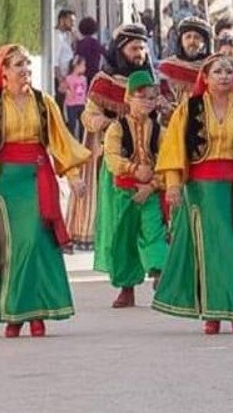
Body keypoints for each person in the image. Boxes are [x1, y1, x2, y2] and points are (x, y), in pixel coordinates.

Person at [0, 44, 90, 337]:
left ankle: (34, 311)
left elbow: (60, 141)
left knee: (34, 244)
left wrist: (72, 174)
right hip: (5, 183)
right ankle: (13, 314)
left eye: (27, 64)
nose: (25, 70)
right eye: (18, 64)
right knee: (10, 249)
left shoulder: (44, 103)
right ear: (3, 70)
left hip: (36, 179)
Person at [153, 54, 233, 335]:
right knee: (209, 252)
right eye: (217, 71)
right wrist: (173, 184)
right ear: (205, 78)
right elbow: (174, 150)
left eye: (229, 71)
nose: (224, 76)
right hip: (201, 192)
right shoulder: (189, 109)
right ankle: (212, 312)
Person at [67, 24, 151, 252]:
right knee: (117, 213)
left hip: (149, 157)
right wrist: (111, 125)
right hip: (114, 155)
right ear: (120, 50)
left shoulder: (151, 81)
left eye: (143, 48)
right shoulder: (105, 80)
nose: (139, 53)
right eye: (134, 48)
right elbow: (88, 114)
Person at [101, 70, 169, 308]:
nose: (147, 102)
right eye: (141, 97)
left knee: (154, 232)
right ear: (128, 98)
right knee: (124, 238)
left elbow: (168, 160)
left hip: (149, 192)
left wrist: (152, 185)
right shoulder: (117, 128)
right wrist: (132, 169)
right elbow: (111, 158)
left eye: (151, 98)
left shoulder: (160, 131)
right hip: (124, 192)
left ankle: (160, 275)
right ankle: (126, 288)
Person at [157, 16, 213, 111]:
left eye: (197, 37)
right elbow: (160, 96)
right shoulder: (167, 67)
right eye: (188, 37)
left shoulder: (211, 67)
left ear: (204, 42)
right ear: (181, 40)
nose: (192, 41)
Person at [53, 9, 76, 104]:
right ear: (62, 20)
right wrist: (60, 80)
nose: (73, 24)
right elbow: (55, 61)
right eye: (71, 21)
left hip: (66, 77)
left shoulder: (66, 36)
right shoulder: (56, 36)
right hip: (59, 78)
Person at [63, 56, 88, 138]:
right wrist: (67, 91)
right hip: (71, 105)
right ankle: (72, 143)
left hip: (81, 104)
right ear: (77, 66)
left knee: (83, 125)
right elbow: (63, 88)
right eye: (83, 65)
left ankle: (82, 143)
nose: (85, 68)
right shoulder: (68, 78)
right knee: (72, 125)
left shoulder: (84, 79)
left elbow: (85, 91)